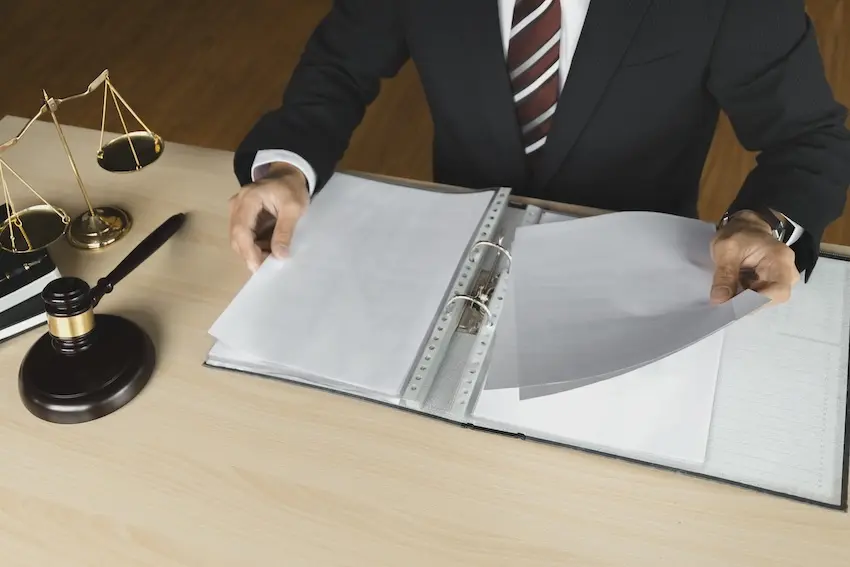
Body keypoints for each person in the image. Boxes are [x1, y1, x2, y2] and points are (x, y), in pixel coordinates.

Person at [228, 0, 850, 305]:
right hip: (451, 262)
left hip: (639, 278)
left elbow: (810, 136)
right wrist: (287, 168)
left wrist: (761, 222)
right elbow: (340, 63)